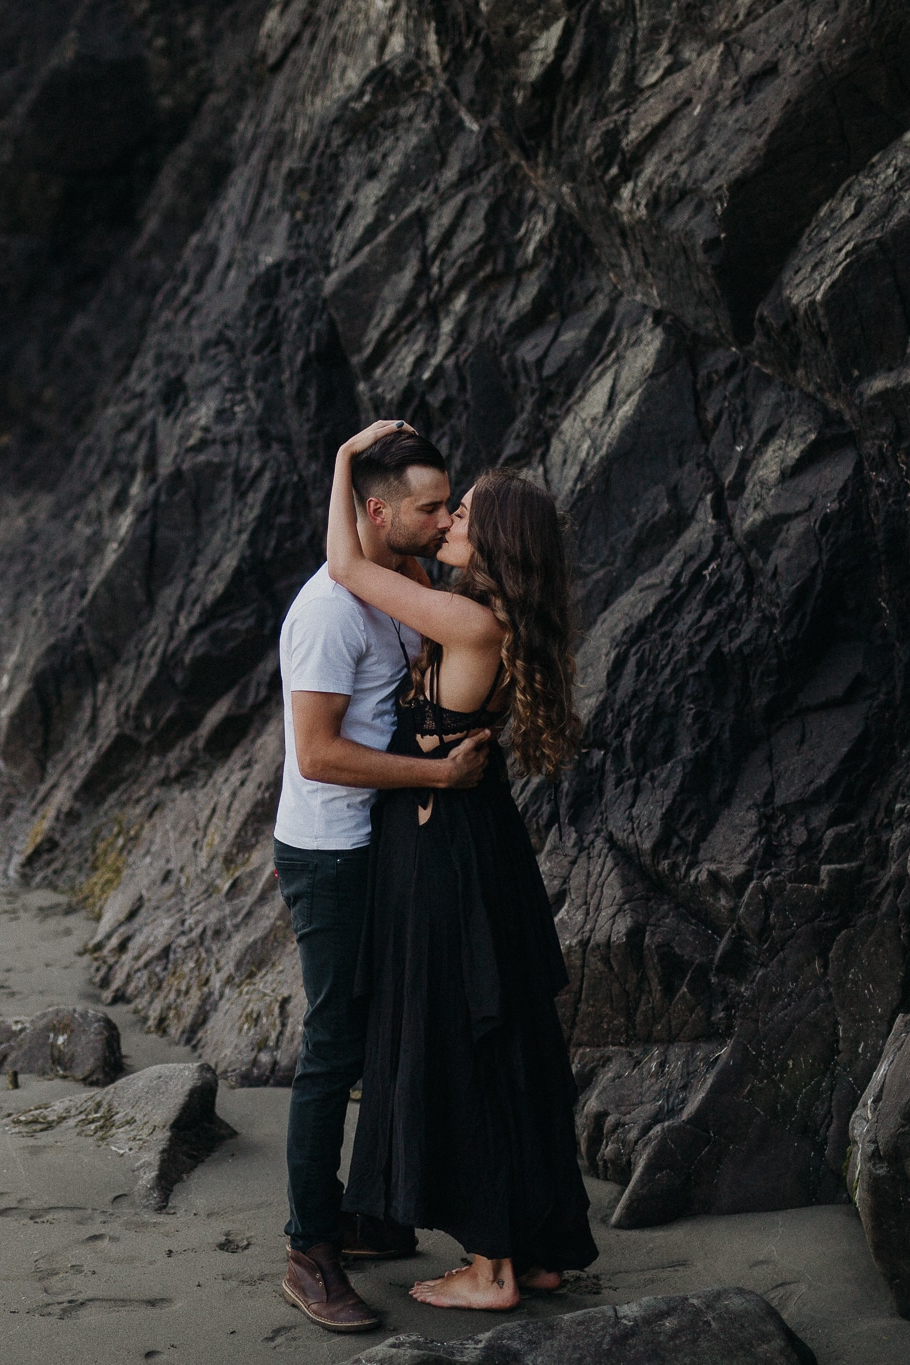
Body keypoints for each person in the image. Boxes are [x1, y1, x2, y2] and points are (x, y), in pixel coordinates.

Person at [326, 419, 599, 1311]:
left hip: (447, 854)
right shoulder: (486, 618)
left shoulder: (470, 620)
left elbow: (350, 568)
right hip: (481, 843)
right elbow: (391, 559)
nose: (445, 525)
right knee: (514, 1044)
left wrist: (341, 466)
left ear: (495, 542)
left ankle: (490, 1268)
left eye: (462, 515)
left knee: (466, 1045)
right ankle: (540, 1244)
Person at [273, 431, 493, 1334]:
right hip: (331, 854)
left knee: (387, 1034)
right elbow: (317, 755)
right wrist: (441, 778)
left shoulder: (401, 592)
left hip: (389, 846)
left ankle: (364, 1212)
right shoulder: (330, 610)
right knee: (332, 1046)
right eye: (430, 506)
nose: (444, 520)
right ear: (377, 511)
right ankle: (308, 1247)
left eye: (451, 506)